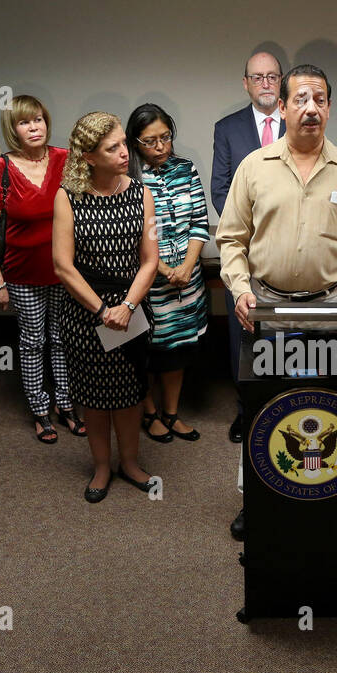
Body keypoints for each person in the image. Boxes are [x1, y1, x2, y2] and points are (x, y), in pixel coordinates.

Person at [217, 63, 337, 539]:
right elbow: (231, 238)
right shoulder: (255, 167)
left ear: (330, 108)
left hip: (333, 310)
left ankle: (325, 496)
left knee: (331, 409)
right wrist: (240, 287)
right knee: (266, 409)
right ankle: (258, 498)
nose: (310, 108)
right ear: (283, 106)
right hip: (269, 310)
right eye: (300, 99)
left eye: (319, 99)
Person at [52, 112, 159, 503]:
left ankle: (129, 463)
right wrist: (102, 311)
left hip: (130, 310)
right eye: (112, 148)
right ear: (89, 157)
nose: (124, 153)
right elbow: (63, 266)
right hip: (86, 313)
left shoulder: (140, 194)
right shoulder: (68, 197)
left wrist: (127, 306)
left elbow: (150, 260)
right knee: (95, 400)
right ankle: (101, 467)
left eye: (123, 144)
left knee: (130, 394)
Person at [0, 94, 79, 444]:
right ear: (13, 129)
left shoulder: (66, 160)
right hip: (21, 275)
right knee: (33, 341)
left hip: (64, 271)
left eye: (38, 119)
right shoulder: (2, 168)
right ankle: (40, 410)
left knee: (63, 340)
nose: (34, 126)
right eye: (24, 122)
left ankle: (66, 405)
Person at [212, 50, 285, 444]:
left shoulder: (302, 124)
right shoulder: (228, 128)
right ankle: (246, 410)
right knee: (243, 332)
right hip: (242, 248)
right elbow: (219, 190)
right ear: (245, 83)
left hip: (289, 251)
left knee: (284, 330)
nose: (266, 83)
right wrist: (252, 229)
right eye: (257, 77)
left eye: (272, 76)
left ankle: (281, 403)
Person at [126, 103, 208, 444]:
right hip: (147, 283)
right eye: (150, 141)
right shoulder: (126, 177)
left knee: (178, 348)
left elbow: (199, 224)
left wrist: (185, 268)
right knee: (144, 352)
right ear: (134, 142)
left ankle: (171, 413)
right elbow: (128, 234)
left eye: (166, 138)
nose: (161, 147)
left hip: (186, 282)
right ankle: (149, 413)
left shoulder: (185, 169)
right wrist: (161, 269)